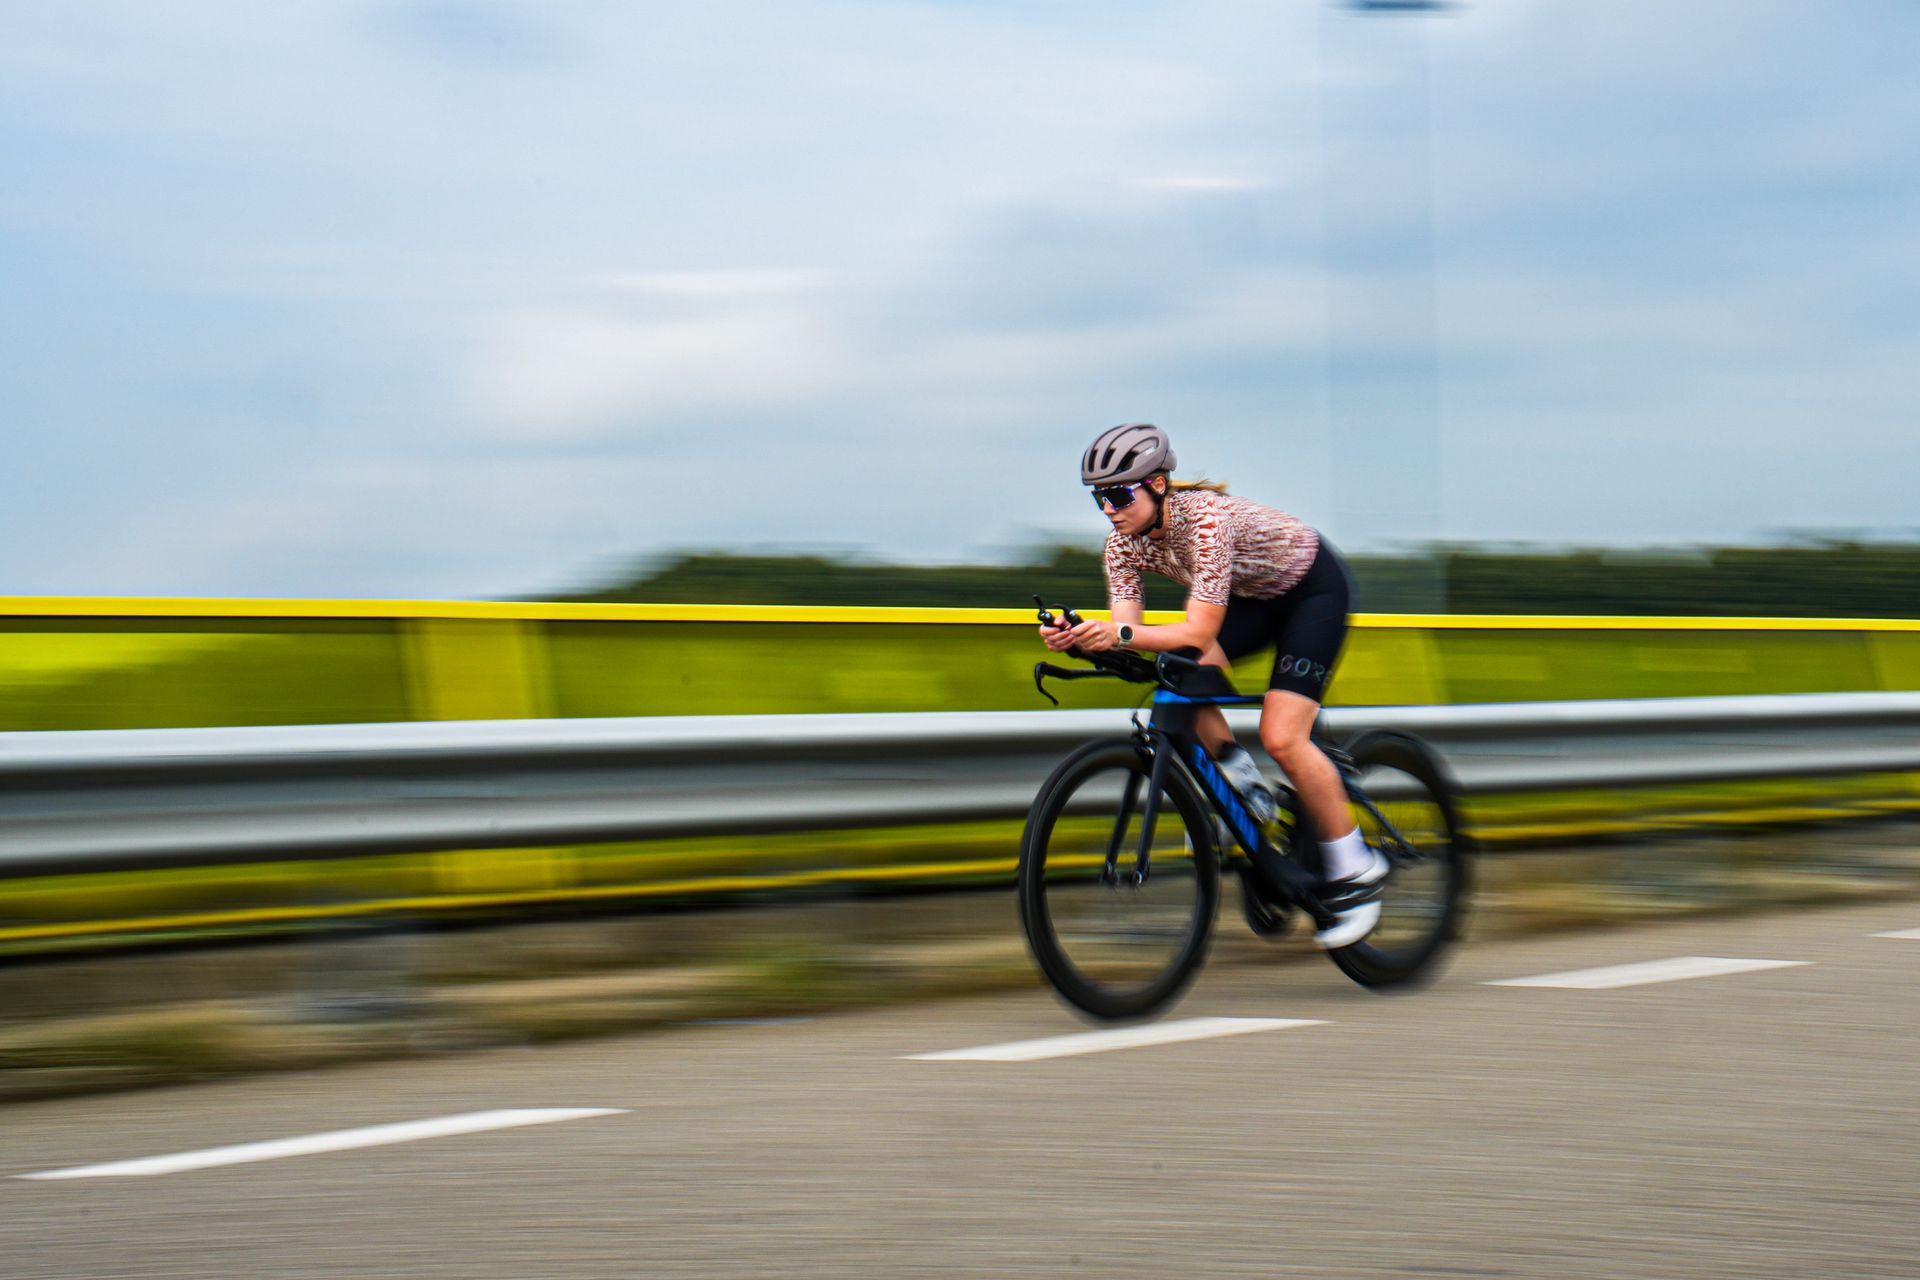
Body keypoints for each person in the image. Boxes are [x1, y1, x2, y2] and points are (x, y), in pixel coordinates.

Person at [1039, 422, 1387, 949]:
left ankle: (1356, 868)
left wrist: (1121, 632)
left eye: (1117, 494)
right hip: (1253, 600)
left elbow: (1198, 630)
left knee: (1282, 736)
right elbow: (1128, 630)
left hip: (1312, 591)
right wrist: (1084, 637)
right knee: (1182, 674)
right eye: (1098, 499)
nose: (1109, 508)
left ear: (1157, 484)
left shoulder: (1204, 521)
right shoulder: (1121, 547)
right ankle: (1246, 789)